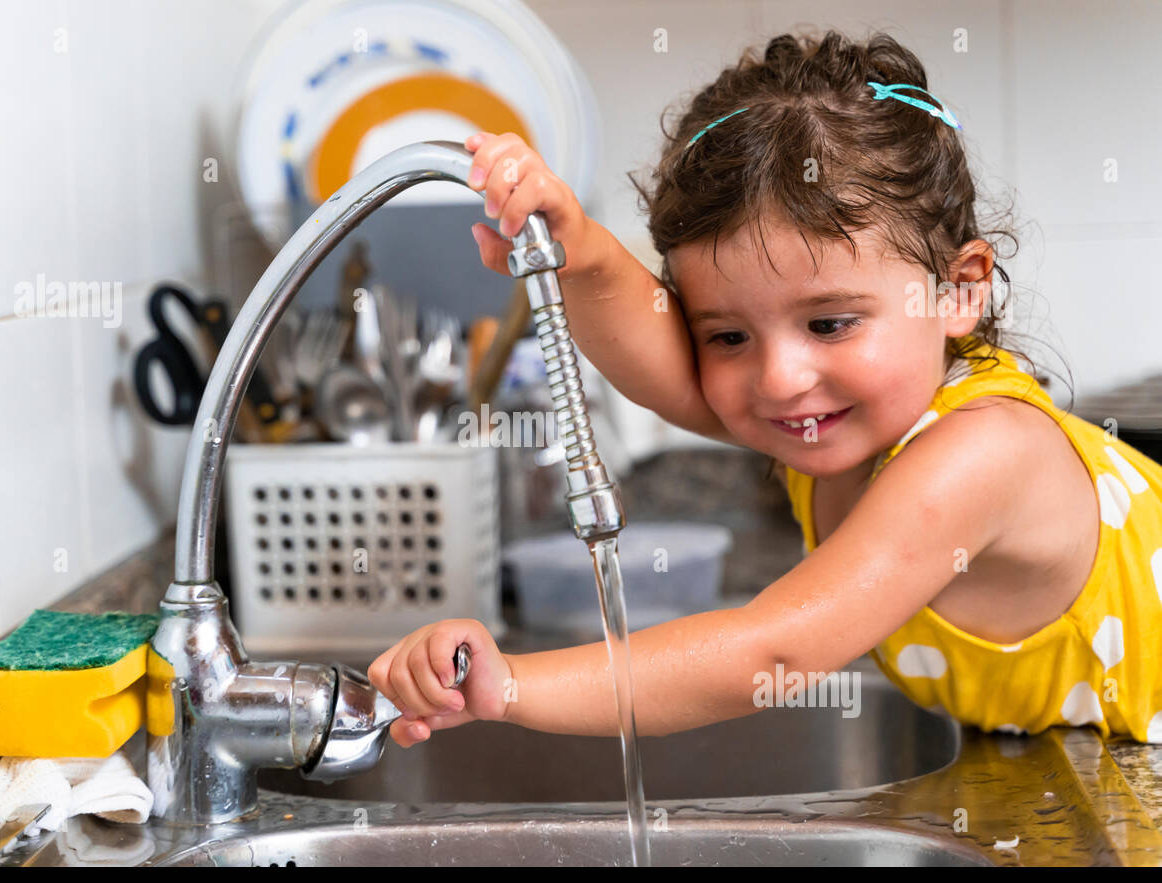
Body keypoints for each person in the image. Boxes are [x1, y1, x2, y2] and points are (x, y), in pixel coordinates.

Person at [368, 30, 1162, 749]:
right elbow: (663, 368)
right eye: (728, 335)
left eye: (830, 324)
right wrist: (579, 252)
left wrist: (511, 686)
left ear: (958, 290)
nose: (779, 378)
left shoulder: (982, 454)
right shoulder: (844, 418)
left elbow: (770, 649)